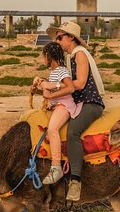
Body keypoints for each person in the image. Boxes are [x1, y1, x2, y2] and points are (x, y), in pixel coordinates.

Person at [47, 21, 105, 201]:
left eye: (60, 37)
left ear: (71, 37)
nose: (57, 41)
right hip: (78, 102)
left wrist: (54, 90)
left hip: (90, 102)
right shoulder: (69, 57)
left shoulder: (80, 55)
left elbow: (79, 83)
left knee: (73, 132)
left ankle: (76, 181)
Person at [31, 42, 82, 185]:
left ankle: (56, 166)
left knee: (52, 129)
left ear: (48, 56)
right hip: (56, 105)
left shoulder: (61, 70)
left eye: (43, 57)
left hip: (64, 105)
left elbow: (70, 87)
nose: (43, 60)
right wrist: (39, 90)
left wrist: (52, 89)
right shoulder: (53, 73)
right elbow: (52, 92)